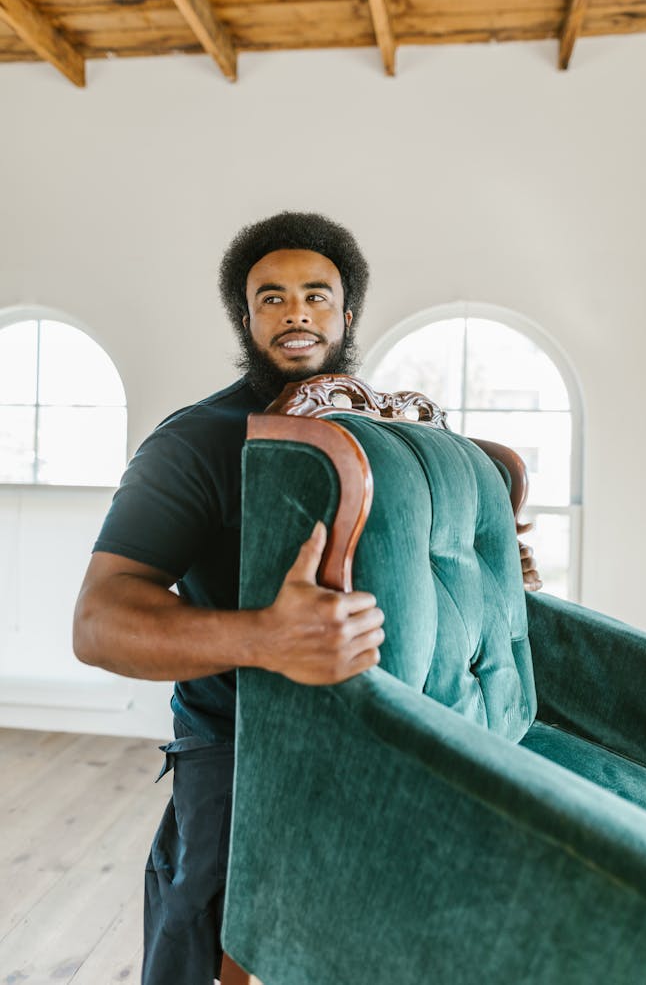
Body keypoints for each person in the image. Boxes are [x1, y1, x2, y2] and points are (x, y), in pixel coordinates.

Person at [73, 211, 541, 985]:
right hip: (239, 745)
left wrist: (490, 576)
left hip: (388, 743)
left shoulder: (385, 433)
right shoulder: (192, 442)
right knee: (208, 927)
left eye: (317, 296)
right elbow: (98, 622)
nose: (296, 312)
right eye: (272, 298)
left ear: (347, 315)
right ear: (246, 318)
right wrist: (265, 636)